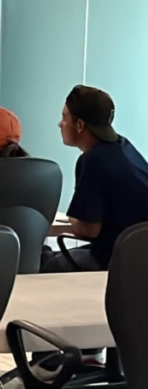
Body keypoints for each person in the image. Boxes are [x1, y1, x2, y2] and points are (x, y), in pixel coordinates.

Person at [42, 85, 148, 272]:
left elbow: (88, 230)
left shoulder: (92, 161)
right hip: (138, 255)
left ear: (80, 125)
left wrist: (67, 222)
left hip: (116, 260)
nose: (60, 124)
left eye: (64, 118)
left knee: (42, 262)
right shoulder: (124, 146)